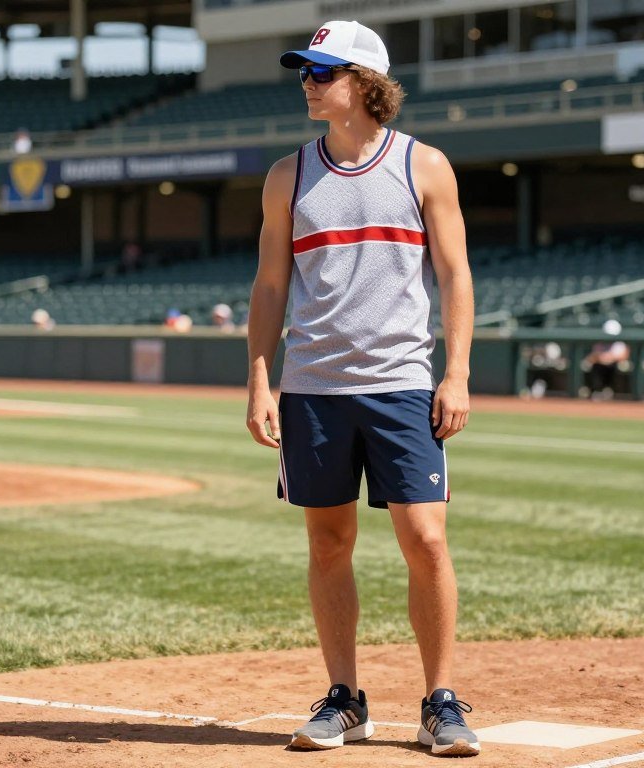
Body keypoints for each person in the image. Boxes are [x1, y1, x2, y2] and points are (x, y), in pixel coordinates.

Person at [245, 20, 478, 757]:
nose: (308, 83)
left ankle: (441, 701)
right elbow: (270, 285)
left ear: (366, 83)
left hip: (403, 384)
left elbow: (455, 275)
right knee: (328, 542)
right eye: (304, 72)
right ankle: (344, 699)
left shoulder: (425, 166)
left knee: (427, 539)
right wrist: (259, 379)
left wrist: (459, 371)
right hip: (312, 387)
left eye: (322, 71)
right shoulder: (288, 175)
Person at [585, 319, 630, 399]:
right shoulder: (600, 343)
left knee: (617, 367)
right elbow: (593, 357)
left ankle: (612, 391)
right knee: (596, 367)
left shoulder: (619, 344)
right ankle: (597, 391)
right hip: (601, 367)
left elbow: (624, 356)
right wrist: (601, 358)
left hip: (614, 367)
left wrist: (610, 357)